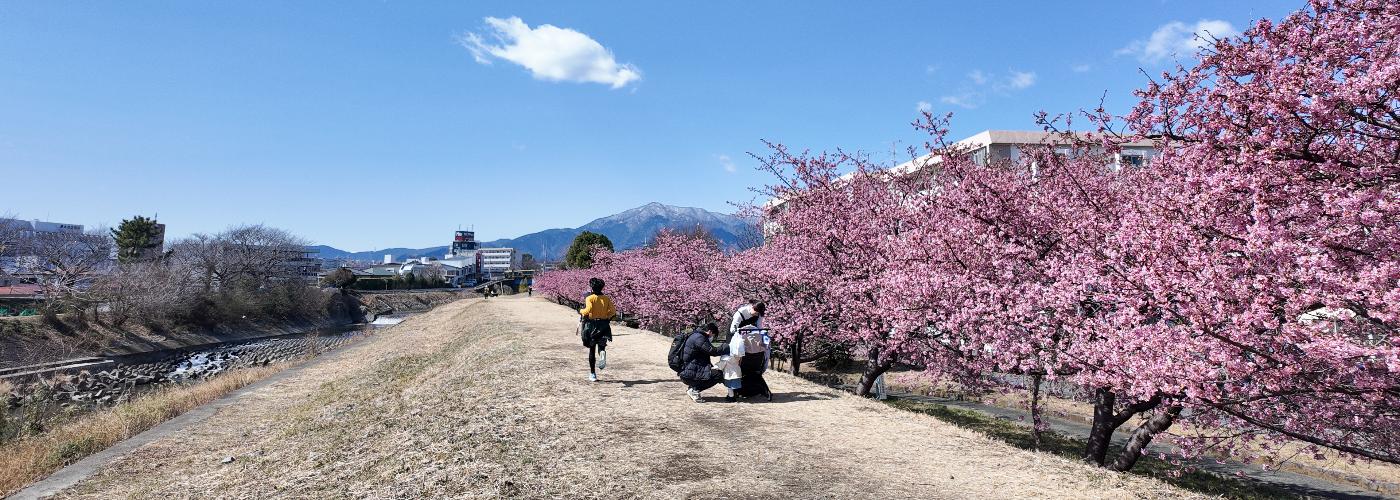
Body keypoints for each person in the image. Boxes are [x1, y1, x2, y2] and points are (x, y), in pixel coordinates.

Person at [678, 323, 731, 402]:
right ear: (709, 331)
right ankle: (694, 390)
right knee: (718, 374)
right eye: (713, 335)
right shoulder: (699, 338)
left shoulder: (695, 335)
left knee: (713, 372)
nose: (712, 337)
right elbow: (712, 351)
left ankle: (693, 387)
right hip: (689, 372)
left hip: (688, 369)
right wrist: (726, 347)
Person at [579, 278, 616, 382]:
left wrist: (581, 310)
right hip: (604, 325)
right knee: (601, 346)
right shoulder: (606, 298)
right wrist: (607, 317)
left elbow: (588, 310)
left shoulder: (590, 298)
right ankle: (602, 353)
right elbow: (613, 311)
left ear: (592, 287)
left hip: (592, 325)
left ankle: (592, 374)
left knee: (592, 350)